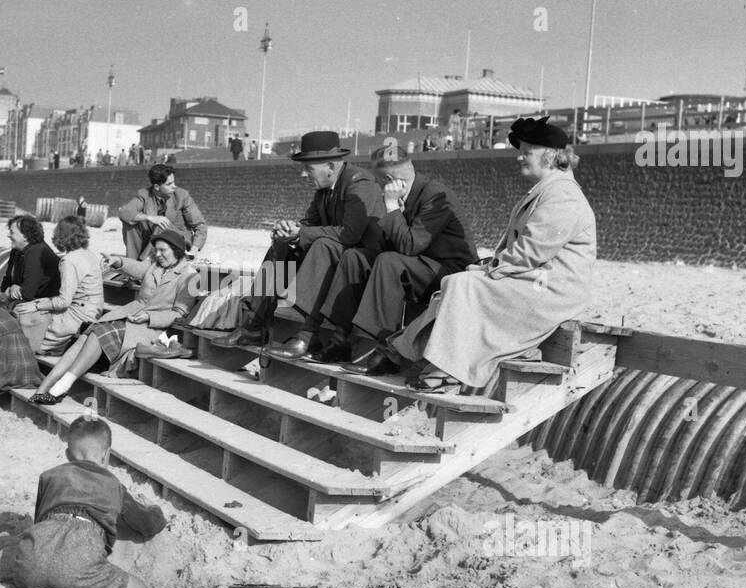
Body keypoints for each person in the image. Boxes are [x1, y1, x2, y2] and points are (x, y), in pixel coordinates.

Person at [387, 116, 596, 393]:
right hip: (536, 280)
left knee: (465, 284)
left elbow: (530, 252)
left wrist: (488, 270)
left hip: (553, 289)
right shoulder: (549, 190)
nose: (520, 158)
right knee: (456, 284)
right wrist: (488, 267)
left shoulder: (563, 195)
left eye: (526, 153)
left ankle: (442, 365)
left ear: (550, 155)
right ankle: (420, 354)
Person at [0, 418, 166, 588]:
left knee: (23, 580)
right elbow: (147, 523)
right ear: (106, 455)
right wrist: (157, 514)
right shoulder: (113, 485)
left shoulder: (49, 477)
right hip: (79, 562)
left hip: (34, 553)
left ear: (67, 455)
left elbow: (40, 519)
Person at [226, 130, 385, 359]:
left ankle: (308, 335)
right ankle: (255, 325)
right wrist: (290, 231)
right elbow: (309, 224)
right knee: (282, 247)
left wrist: (303, 233)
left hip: (361, 257)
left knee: (322, 246)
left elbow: (350, 235)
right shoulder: (324, 189)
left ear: (330, 165)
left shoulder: (360, 184)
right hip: (335, 251)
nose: (304, 174)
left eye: (308, 168)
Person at [321, 144, 477, 372]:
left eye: (379, 181)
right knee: (355, 257)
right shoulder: (405, 192)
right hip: (418, 263)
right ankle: (339, 337)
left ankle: (385, 350)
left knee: (388, 262)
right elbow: (386, 244)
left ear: (387, 179)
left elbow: (409, 245)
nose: (379, 187)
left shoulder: (436, 195)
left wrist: (392, 207)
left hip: (448, 270)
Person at [30, 229, 197, 404]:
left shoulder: (189, 276)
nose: (158, 254)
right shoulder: (156, 266)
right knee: (86, 337)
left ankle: (60, 387)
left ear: (177, 251)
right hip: (128, 318)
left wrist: (148, 316)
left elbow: (179, 313)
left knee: (98, 332)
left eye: (163, 250)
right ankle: (43, 388)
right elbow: (138, 268)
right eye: (156, 250)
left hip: (152, 328)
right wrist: (117, 261)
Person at [14, 214, 103, 354]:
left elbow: (64, 301)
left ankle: (49, 349)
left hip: (79, 316)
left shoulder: (69, 261)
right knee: (34, 315)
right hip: (92, 311)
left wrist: (36, 304)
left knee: (30, 330)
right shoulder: (88, 254)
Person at [116, 163, 208, 261]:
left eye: (173, 182)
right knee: (130, 223)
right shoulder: (144, 195)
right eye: (169, 184)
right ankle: (133, 261)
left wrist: (194, 249)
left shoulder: (182, 195)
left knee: (162, 224)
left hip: (180, 243)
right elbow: (124, 212)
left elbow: (200, 225)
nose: (174, 186)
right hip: (153, 243)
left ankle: (142, 263)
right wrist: (150, 218)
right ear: (156, 186)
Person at [0, 214, 61, 337]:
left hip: (45, 306)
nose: (8, 235)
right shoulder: (17, 250)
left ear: (25, 236)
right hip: (29, 301)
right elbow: (7, 280)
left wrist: (11, 290)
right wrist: (10, 288)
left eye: (12, 232)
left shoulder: (37, 252)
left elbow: (27, 293)